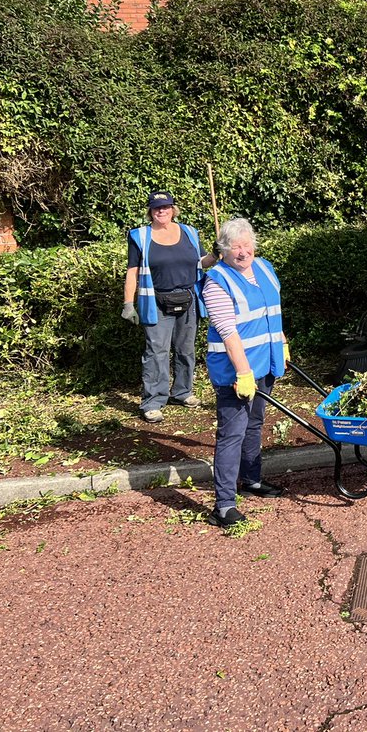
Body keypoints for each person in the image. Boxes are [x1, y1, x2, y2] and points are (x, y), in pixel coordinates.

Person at [202, 217, 288, 527]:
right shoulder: (217, 281)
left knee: (255, 423)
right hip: (235, 372)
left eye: (246, 244)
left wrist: (282, 342)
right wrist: (243, 373)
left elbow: (271, 313)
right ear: (223, 251)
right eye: (235, 247)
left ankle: (251, 480)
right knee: (231, 434)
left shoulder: (264, 267)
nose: (243, 252)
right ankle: (224, 505)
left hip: (266, 363)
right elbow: (228, 333)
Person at [122, 190, 217, 423]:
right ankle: (153, 402)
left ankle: (182, 392)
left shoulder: (190, 232)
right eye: (156, 208)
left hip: (188, 298)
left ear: (173, 209)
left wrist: (216, 253)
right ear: (150, 211)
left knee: (186, 349)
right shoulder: (140, 236)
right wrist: (128, 304)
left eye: (165, 207)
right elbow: (132, 272)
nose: (161, 211)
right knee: (156, 352)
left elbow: (202, 262)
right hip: (156, 301)